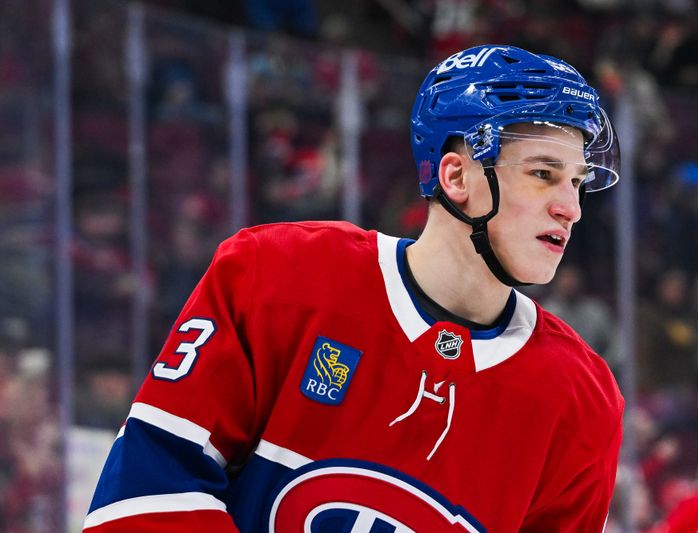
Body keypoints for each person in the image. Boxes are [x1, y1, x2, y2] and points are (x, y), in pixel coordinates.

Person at [84, 45, 624, 532]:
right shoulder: (278, 276)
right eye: (542, 173)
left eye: (576, 180)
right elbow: (143, 497)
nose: (570, 208)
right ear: (457, 178)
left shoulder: (581, 403)